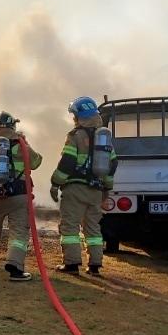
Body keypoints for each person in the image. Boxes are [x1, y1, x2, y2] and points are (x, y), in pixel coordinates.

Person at [51, 95, 117, 276]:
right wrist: (106, 189)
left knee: (70, 227)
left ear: (79, 116)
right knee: (93, 228)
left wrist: (55, 183)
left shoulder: (75, 136)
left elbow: (67, 162)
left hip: (75, 189)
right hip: (96, 190)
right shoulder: (104, 139)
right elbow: (112, 165)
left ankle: (72, 264)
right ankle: (95, 265)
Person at [0, 112, 42, 281]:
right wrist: (24, 144)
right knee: (19, 231)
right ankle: (15, 266)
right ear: (13, 126)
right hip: (20, 195)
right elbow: (36, 163)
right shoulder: (22, 146)